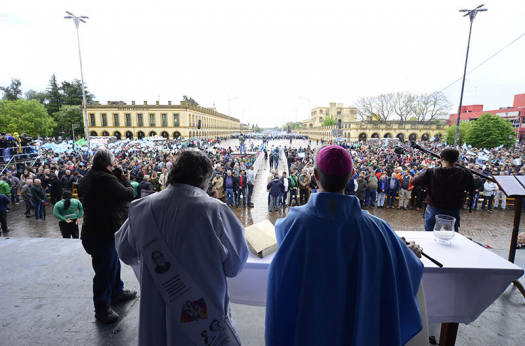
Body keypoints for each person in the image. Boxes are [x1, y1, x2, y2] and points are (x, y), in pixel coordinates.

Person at [266, 145, 424, 345]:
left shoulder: (291, 224)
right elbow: (405, 267)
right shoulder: (377, 229)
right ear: (351, 175)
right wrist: (408, 252)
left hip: (309, 328)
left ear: (315, 175)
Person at [115, 150, 248, 345]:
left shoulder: (142, 208)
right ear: (205, 178)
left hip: (156, 309)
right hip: (201, 317)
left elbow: (124, 252)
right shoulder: (215, 210)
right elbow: (234, 266)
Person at [79, 148, 136, 324]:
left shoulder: (87, 178)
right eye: (113, 164)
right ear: (108, 163)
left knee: (112, 263)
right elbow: (129, 194)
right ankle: (102, 307)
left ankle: (117, 292)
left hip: (95, 231)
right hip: (102, 232)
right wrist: (124, 179)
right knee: (105, 270)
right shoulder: (105, 178)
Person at [412, 148, 475, 232]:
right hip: (454, 208)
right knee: (452, 233)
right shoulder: (465, 173)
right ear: (456, 159)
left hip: (434, 207)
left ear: (441, 158)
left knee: (429, 234)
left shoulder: (431, 172)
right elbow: (471, 188)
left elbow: (415, 182)